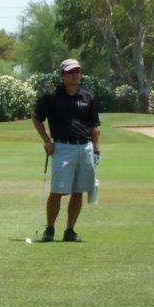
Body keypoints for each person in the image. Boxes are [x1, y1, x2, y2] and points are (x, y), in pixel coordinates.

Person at [32, 58, 100, 242]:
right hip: (62, 147)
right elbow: (37, 119)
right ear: (62, 75)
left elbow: (94, 126)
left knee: (79, 190)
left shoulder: (88, 97)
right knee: (57, 191)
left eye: (77, 71)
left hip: (84, 148)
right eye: (70, 72)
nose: (75, 75)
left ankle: (70, 230)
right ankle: (50, 228)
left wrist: (96, 150)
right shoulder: (51, 96)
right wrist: (46, 141)